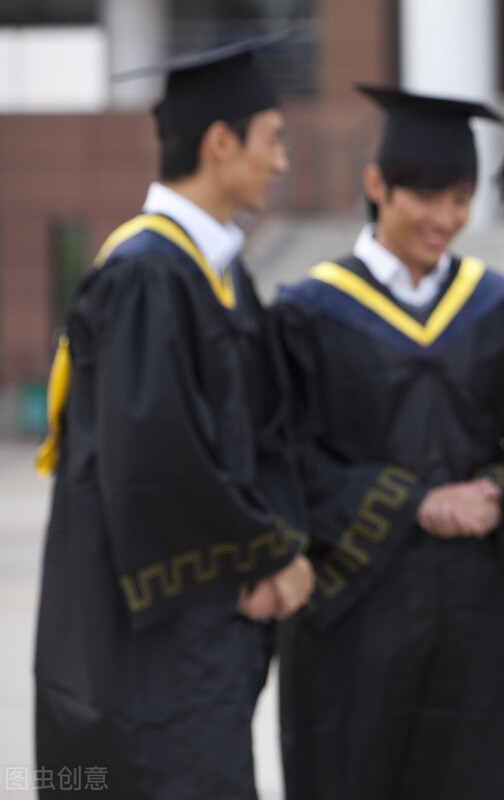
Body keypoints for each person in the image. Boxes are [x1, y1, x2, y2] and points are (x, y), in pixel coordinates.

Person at [33, 36, 314, 799]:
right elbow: (158, 458)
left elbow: (261, 436)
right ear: (222, 143)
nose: (283, 162)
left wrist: (273, 550)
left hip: (201, 635)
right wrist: (268, 553)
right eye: (273, 141)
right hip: (147, 643)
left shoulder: (211, 275)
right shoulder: (146, 273)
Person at [273, 84, 504, 800]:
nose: (446, 218)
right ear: (377, 185)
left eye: (461, 199)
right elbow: (279, 455)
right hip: (352, 608)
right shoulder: (306, 313)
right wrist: (414, 501)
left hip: (472, 609)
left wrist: (499, 490)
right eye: (427, 197)